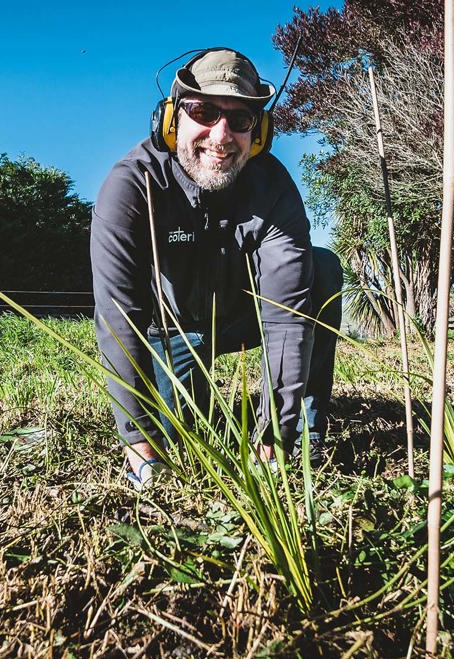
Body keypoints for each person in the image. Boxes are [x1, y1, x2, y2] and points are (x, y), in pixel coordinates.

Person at [89, 47, 343, 490]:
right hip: (173, 329)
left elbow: (288, 316)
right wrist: (138, 440)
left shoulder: (275, 188)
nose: (221, 134)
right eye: (203, 111)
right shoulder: (130, 186)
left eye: (240, 119)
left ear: (257, 131)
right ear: (172, 121)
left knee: (322, 269)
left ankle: (301, 433)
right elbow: (118, 316)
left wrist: (275, 430)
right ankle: (197, 406)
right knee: (185, 437)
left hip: (248, 315)